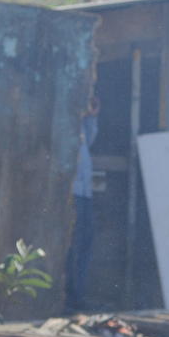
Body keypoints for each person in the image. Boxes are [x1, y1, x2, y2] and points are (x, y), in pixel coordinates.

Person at [64, 93, 99, 312]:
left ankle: (78, 295)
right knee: (73, 245)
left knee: (85, 242)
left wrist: (92, 117)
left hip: (85, 192)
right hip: (73, 192)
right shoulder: (66, 123)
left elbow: (91, 139)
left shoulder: (82, 127)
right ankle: (71, 297)